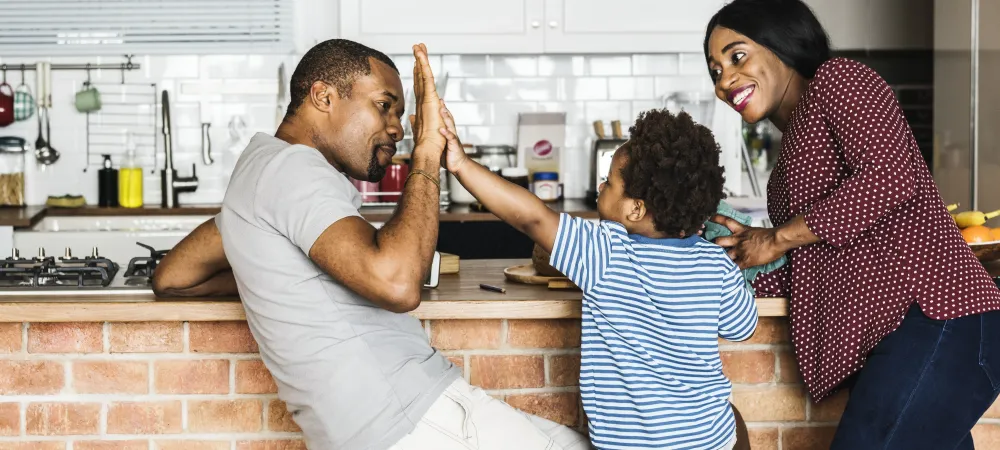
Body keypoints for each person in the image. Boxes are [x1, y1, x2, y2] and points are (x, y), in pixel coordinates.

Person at [152, 39, 591, 450]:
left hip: (391, 423)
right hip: (413, 419)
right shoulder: (294, 170)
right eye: (384, 106)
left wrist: (280, 277)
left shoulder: (260, 169)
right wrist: (426, 152)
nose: (397, 128)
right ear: (323, 97)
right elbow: (398, 285)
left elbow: (173, 278)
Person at [703, 1, 1000, 448]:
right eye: (715, 70)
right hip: (900, 339)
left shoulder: (838, 80)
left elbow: (891, 177)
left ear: (780, 41)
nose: (725, 80)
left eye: (737, 56)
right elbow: (817, 261)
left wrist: (776, 239)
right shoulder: (788, 161)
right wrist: (723, 267)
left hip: (938, 318)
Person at [438, 104, 757, 450]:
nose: (601, 185)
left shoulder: (605, 251)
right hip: (708, 440)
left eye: (610, 181)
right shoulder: (716, 263)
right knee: (733, 421)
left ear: (635, 209)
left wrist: (461, 165)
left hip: (627, 447)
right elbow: (742, 327)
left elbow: (532, 217)